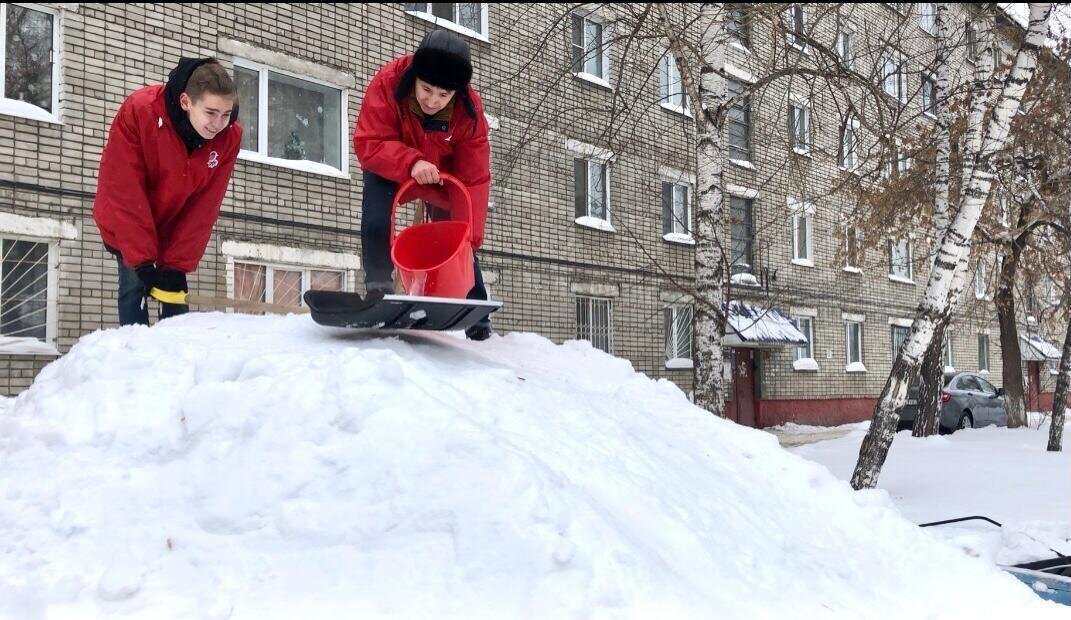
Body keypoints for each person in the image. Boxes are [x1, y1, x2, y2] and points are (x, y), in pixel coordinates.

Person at [353, 29, 493, 341]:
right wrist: (411, 162)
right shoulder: (388, 83)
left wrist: (470, 234)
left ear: (456, 92)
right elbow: (370, 143)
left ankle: (475, 305)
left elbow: (474, 178)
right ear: (414, 77)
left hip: (440, 176)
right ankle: (378, 287)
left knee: (459, 235)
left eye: (443, 95)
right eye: (426, 89)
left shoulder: (470, 113)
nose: (432, 101)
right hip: (391, 164)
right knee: (377, 220)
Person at [93, 58, 242, 326]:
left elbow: (204, 207)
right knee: (134, 286)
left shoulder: (229, 136)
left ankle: (173, 360)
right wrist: (141, 260)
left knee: (174, 295)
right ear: (186, 102)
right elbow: (126, 189)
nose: (219, 123)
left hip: (174, 226)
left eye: (226, 114)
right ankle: (134, 356)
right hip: (127, 219)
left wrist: (177, 263)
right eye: (210, 113)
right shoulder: (141, 111)